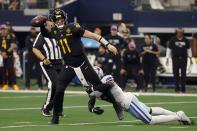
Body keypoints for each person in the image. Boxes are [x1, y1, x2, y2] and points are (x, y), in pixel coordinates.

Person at [34, 8, 119, 124]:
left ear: (65, 19)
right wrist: (41, 24)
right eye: (56, 19)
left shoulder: (73, 27)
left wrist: (107, 44)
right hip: (68, 65)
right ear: (53, 20)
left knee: (98, 86)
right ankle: (55, 118)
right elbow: (44, 32)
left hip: (82, 63)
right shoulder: (54, 31)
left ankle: (116, 105)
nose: (59, 21)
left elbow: (93, 35)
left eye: (61, 18)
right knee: (59, 90)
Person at [87, 67, 193, 125]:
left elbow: (107, 85)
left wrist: (92, 89)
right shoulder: (95, 88)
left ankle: (178, 116)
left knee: (149, 120)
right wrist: (92, 109)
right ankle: (176, 114)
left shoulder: (106, 78)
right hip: (128, 101)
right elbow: (91, 101)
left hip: (128, 101)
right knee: (150, 110)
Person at [32, 20, 63, 117]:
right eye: (52, 22)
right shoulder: (43, 34)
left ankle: (57, 110)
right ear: (46, 23)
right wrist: (43, 59)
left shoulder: (57, 33)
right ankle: (46, 108)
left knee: (60, 86)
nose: (54, 23)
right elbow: (35, 48)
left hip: (59, 63)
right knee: (54, 84)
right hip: (48, 63)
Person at [166, 28, 193, 93]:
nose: (180, 33)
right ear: (176, 32)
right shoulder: (173, 40)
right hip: (175, 59)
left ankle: (183, 89)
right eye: (178, 32)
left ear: (182, 33)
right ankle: (177, 89)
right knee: (176, 74)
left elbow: (189, 50)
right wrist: (167, 58)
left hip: (183, 59)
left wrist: (190, 58)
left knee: (183, 75)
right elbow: (169, 49)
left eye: (181, 32)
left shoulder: (186, 40)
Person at [0, 24, 19, 90]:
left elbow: (13, 45)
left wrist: (6, 53)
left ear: (6, 30)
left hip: (9, 56)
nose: (3, 31)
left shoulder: (10, 36)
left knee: (11, 70)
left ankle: (14, 84)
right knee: (3, 71)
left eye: (4, 29)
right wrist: (2, 53)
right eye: (2, 29)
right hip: (1, 56)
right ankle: (5, 84)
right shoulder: (0, 37)